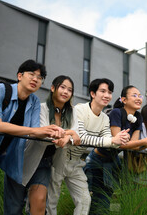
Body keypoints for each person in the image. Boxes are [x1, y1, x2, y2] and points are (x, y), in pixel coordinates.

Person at [0, 60, 64, 214]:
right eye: (31, 74)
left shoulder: (33, 101)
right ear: (19, 76)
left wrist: (52, 132)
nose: (36, 79)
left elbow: (34, 131)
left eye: (40, 77)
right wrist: (36, 131)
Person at [47, 78, 129, 215]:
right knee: (52, 200)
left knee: (84, 200)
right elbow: (82, 137)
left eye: (109, 92)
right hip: (60, 158)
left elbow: (109, 140)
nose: (106, 95)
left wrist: (121, 138)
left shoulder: (105, 118)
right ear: (92, 94)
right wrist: (112, 140)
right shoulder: (79, 109)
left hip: (76, 163)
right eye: (102, 91)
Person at [3, 75, 81, 215]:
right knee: (14, 208)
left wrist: (69, 136)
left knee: (39, 202)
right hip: (22, 158)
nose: (65, 92)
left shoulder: (72, 111)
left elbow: (78, 134)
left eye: (69, 90)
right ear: (52, 88)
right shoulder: (41, 107)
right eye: (62, 87)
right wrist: (69, 134)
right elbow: (43, 133)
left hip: (44, 162)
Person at [84, 85, 147, 215]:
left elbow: (134, 145)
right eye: (134, 95)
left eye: (140, 96)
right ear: (124, 100)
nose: (138, 98)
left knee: (106, 198)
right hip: (97, 160)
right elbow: (118, 143)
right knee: (97, 200)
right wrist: (145, 142)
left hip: (112, 162)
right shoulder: (116, 113)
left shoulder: (138, 117)